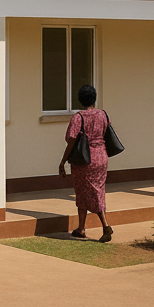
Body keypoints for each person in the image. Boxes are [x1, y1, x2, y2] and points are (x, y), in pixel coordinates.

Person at [58, 85, 113, 242]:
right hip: (102, 157)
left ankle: (105, 225)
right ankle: (81, 228)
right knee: (95, 191)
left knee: (84, 191)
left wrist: (63, 161)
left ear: (80, 99)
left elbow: (71, 139)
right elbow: (107, 132)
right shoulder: (104, 115)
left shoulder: (78, 117)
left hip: (84, 159)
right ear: (94, 98)